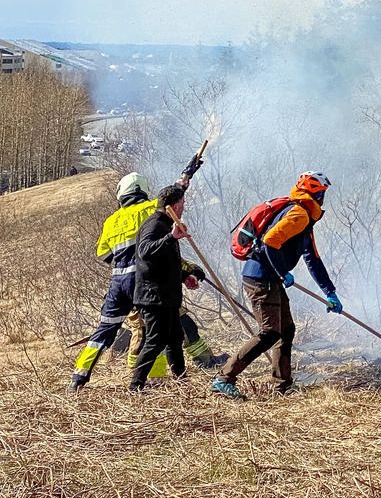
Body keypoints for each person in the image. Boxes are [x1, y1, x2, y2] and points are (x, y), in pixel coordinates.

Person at [69, 165, 219, 391]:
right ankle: (154, 378)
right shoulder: (151, 209)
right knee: (157, 328)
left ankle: (78, 378)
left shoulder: (111, 221)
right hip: (146, 281)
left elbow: (104, 253)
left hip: (119, 282)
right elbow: (174, 194)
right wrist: (187, 174)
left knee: (106, 329)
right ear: (143, 190)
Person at [210, 172, 342, 401]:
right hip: (261, 278)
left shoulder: (304, 217)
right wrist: (283, 272)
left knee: (286, 329)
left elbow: (313, 259)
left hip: (269, 278)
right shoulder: (299, 214)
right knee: (270, 332)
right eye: (322, 193)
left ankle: (281, 384)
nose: (323, 198)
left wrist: (330, 292)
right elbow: (270, 242)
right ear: (316, 193)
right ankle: (224, 378)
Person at [128, 185, 198, 391]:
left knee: (175, 338)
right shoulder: (155, 224)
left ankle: (182, 381)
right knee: (155, 340)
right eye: (183, 203)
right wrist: (171, 237)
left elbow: (165, 261)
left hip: (166, 295)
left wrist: (185, 277)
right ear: (175, 205)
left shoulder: (167, 223)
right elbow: (145, 251)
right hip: (153, 296)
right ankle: (136, 385)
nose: (184, 207)